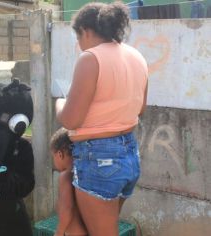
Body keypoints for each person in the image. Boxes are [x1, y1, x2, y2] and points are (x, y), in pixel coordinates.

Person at [55, 2, 148, 236]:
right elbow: (140, 109)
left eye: (78, 37)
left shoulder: (90, 58)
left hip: (98, 158)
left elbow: (71, 120)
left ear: (85, 31)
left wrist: (60, 104)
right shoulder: (136, 55)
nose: (79, 45)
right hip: (129, 155)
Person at [50, 128, 87, 236]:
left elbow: (67, 208)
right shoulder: (84, 173)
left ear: (60, 154)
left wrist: (59, 232)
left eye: (53, 156)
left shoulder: (66, 176)